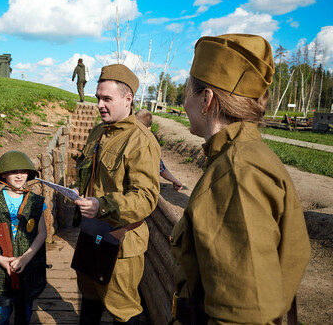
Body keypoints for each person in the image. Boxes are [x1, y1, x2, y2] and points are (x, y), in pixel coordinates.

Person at [170, 34, 310, 324]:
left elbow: (242, 316)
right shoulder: (247, 157)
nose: (185, 104)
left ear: (206, 99)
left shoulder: (236, 173)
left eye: (188, 94)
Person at [73, 64, 162, 324]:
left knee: (122, 308)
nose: (99, 104)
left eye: (107, 99)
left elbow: (145, 198)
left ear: (128, 99)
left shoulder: (141, 141)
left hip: (121, 241)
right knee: (89, 296)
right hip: (92, 233)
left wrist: (101, 205)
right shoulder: (98, 131)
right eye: (98, 98)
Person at [0, 150, 47, 325]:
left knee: (25, 313)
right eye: (13, 171)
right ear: (3, 174)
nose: (19, 175)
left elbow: (42, 233)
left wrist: (25, 258)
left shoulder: (36, 202)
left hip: (27, 269)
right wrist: (0, 259)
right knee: (1, 315)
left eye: (23, 171)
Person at [135, 109, 183, 191]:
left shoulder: (125, 138)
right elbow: (161, 169)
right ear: (149, 128)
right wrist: (176, 181)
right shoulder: (150, 144)